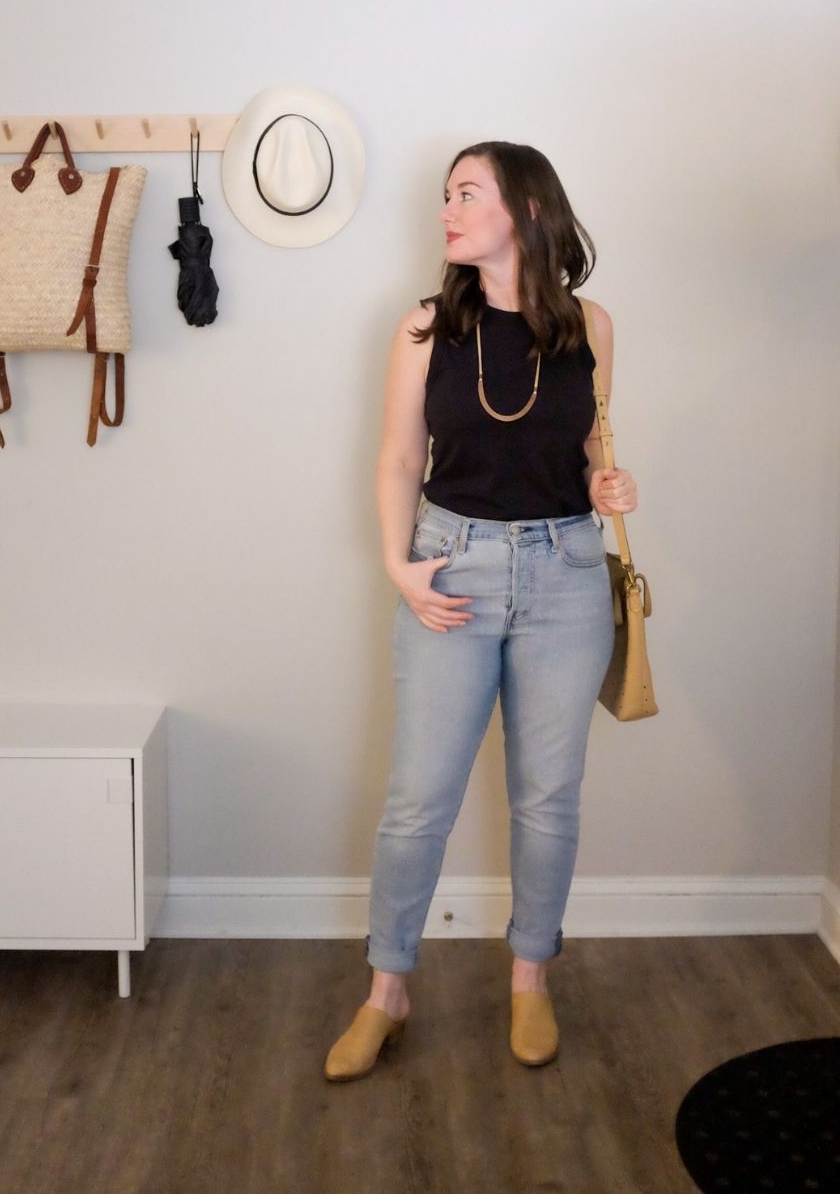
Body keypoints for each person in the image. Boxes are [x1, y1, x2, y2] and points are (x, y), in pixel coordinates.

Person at [324, 143, 639, 1082]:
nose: (447, 211)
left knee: (547, 798)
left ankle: (530, 977)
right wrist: (399, 566)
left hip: (568, 573)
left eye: (467, 194)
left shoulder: (593, 324)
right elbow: (394, 458)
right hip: (451, 570)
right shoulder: (425, 328)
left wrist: (609, 481)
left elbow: (589, 443)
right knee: (418, 798)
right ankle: (387, 991)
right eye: (445, 195)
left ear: (528, 210)